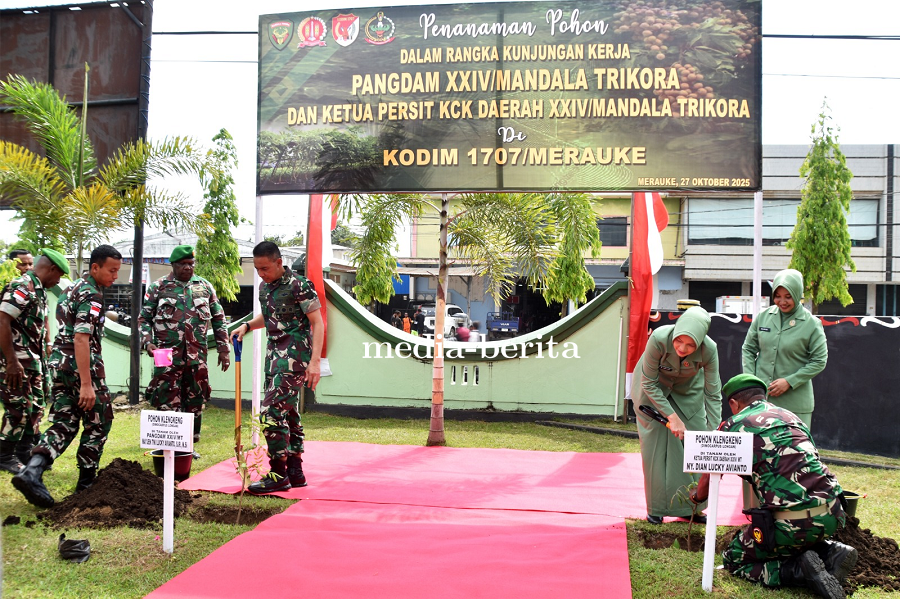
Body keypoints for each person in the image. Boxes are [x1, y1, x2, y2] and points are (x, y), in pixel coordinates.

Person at [690, 374, 856, 599]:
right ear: (764, 396)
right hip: (833, 513)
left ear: (733, 403)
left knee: (735, 559)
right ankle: (829, 552)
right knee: (794, 535)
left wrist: (697, 497)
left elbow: (710, 474)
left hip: (790, 523)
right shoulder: (791, 417)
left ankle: (798, 571)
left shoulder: (732, 425)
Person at [12, 245, 122, 507]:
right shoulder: (92, 295)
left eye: (117, 271)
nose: (115, 276)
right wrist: (86, 384)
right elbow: (82, 339)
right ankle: (86, 486)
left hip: (59, 365)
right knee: (99, 420)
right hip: (80, 367)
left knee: (65, 421)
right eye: (112, 270)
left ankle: (32, 471)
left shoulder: (72, 288)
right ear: (95, 267)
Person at [231, 241, 323, 494]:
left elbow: (317, 321)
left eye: (265, 268)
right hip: (274, 358)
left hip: (294, 358)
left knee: (270, 412)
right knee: (288, 412)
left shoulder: (299, 285)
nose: (261, 273)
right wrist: (248, 326)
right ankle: (295, 470)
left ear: (279, 262)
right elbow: (270, 316)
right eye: (257, 269)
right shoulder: (265, 287)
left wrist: (315, 362)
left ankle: (277, 473)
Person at [632, 306, 721, 524]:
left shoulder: (710, 350)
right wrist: (672, 417)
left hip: (688, 392)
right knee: (655, 448)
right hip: (651, 392)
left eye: (691, 344)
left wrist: (715, 431)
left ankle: (692, 508)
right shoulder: (660, 338)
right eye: (679, 341)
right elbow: (649, 383)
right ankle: (657, 507)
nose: (683, 348)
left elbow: (712, 391)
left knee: (699, 443)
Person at [139, 245, 230, 449]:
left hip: (197, 354)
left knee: (195, 398)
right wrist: (147, 341)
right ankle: (168, 447)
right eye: (183, 264)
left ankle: (188, 446)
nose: (188, 268)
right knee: (167, 397)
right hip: (165, 354)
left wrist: (224, 349)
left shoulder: (205, 287)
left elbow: (219, 319)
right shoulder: (158, 287)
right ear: (173, 265)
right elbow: (144, 319)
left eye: (191, 264)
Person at [0, 250, 68, 474]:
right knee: (17, 408)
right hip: (16, 362)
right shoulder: (22, 286)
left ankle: (24, 452)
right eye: (58, 276)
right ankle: (4, 455)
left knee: (35, 407)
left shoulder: (38, 290)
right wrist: (11, 361)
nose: (58, 281)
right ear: (50, 269)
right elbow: (2, 320)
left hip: (32, 362)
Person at [742, 269, 827, 428]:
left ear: (798, 294)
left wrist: (789, 381)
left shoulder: (811, 324)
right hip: (761, 400)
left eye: (788, 297)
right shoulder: (763, 317)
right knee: (761, 449)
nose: (782, 301)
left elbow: (819, 361)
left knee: (793, 450)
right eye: (777, 296)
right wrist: (751, 381)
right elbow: (748, 349)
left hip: (795, 403)